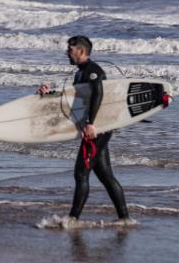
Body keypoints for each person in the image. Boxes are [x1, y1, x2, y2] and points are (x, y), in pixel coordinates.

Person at [37, 35, 130, 223]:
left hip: (98, 128)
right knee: (105, 175)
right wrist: (48, 95)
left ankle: (73, 219)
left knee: (81, 173)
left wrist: (90, 123)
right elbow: (73, 99)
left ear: (81, 51)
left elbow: (98, 94)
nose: (67, 53)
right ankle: (125, 219)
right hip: (94, 127)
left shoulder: (94, 71)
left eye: (70, 50)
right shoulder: (79, 73)